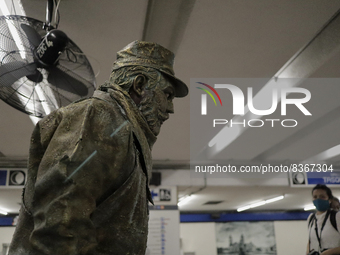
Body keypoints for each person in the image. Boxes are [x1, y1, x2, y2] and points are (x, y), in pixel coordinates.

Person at [8, 41, 188, 255]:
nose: (171, 108)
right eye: (167, 95)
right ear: (139, 85)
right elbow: (60, 224)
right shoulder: (99, 117)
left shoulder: (124, 132)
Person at [306, 184, 340, 255]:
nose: (318, 199)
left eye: (322, 197)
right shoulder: (311, 218)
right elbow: (310, 241)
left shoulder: (336, 216)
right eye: (315, 197)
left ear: (329, 199)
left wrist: (327, 252)